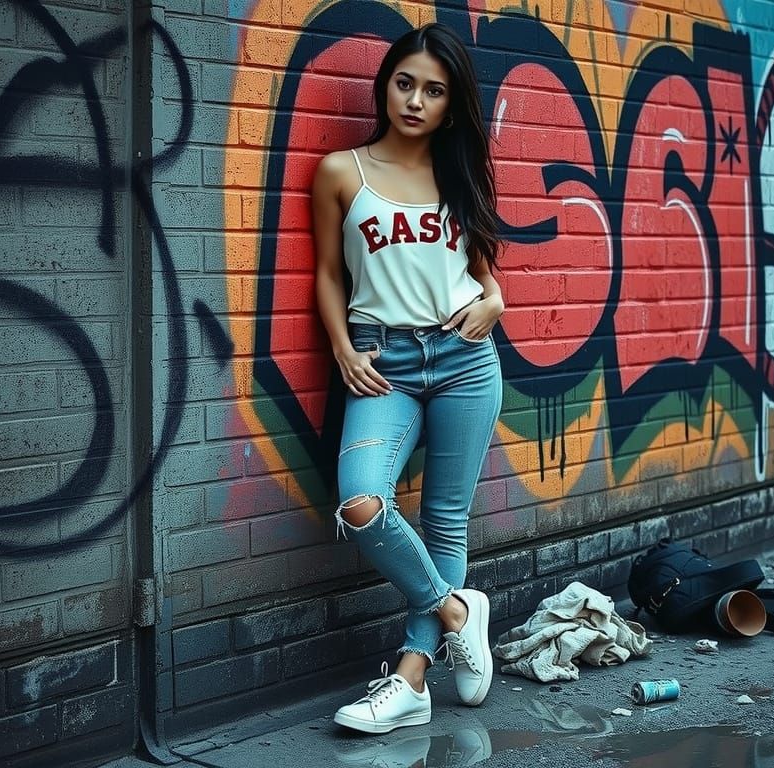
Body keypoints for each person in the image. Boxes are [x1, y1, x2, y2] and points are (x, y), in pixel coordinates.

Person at [311, 23, 505, 734]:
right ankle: (459, 610)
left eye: (432, 90)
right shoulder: (343, 172)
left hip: (464, 361)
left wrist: (496, 301)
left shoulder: (459, 173)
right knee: (362, 500)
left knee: (445, 520)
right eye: (404, 82)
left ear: (451, 106)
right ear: (384, 84)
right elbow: (329, 275)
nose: (414, 100)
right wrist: (342, 348)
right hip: (381, 363)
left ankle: (412, 679)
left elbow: (483, 277)